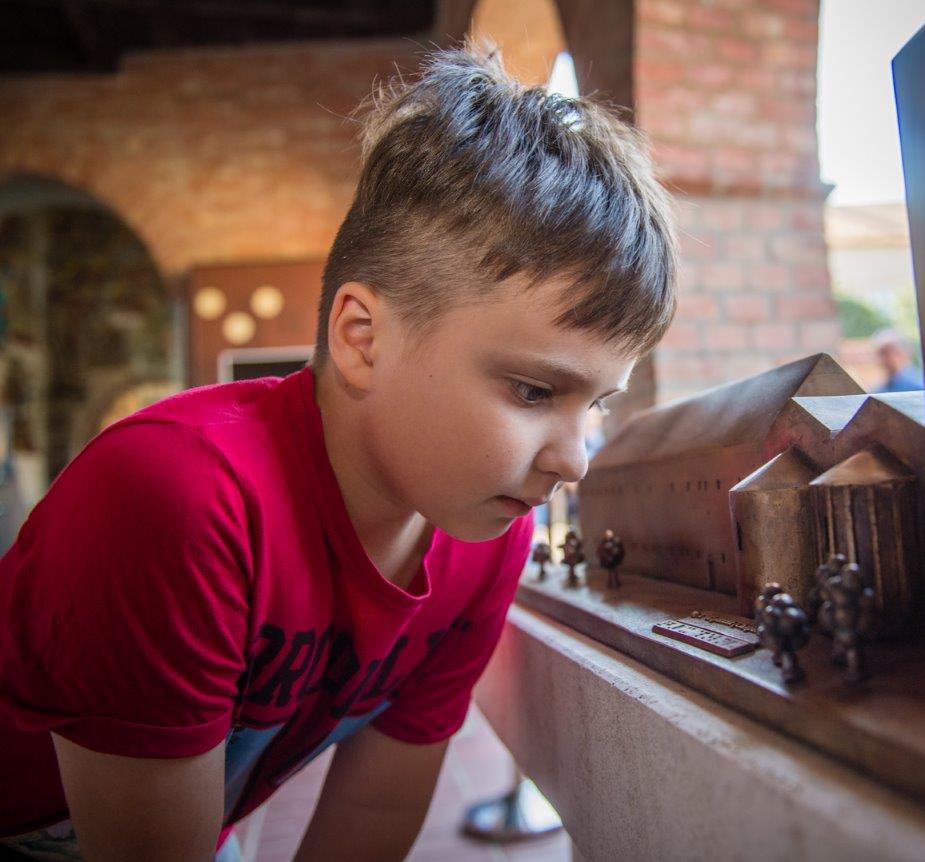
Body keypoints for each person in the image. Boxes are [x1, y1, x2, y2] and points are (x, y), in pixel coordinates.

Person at [0, 44, 675, 862]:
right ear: (364, 338)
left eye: (596, 403)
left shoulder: (481, 539)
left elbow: (374, 810)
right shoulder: (177, 498)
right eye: (534, 392)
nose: (576, 461)